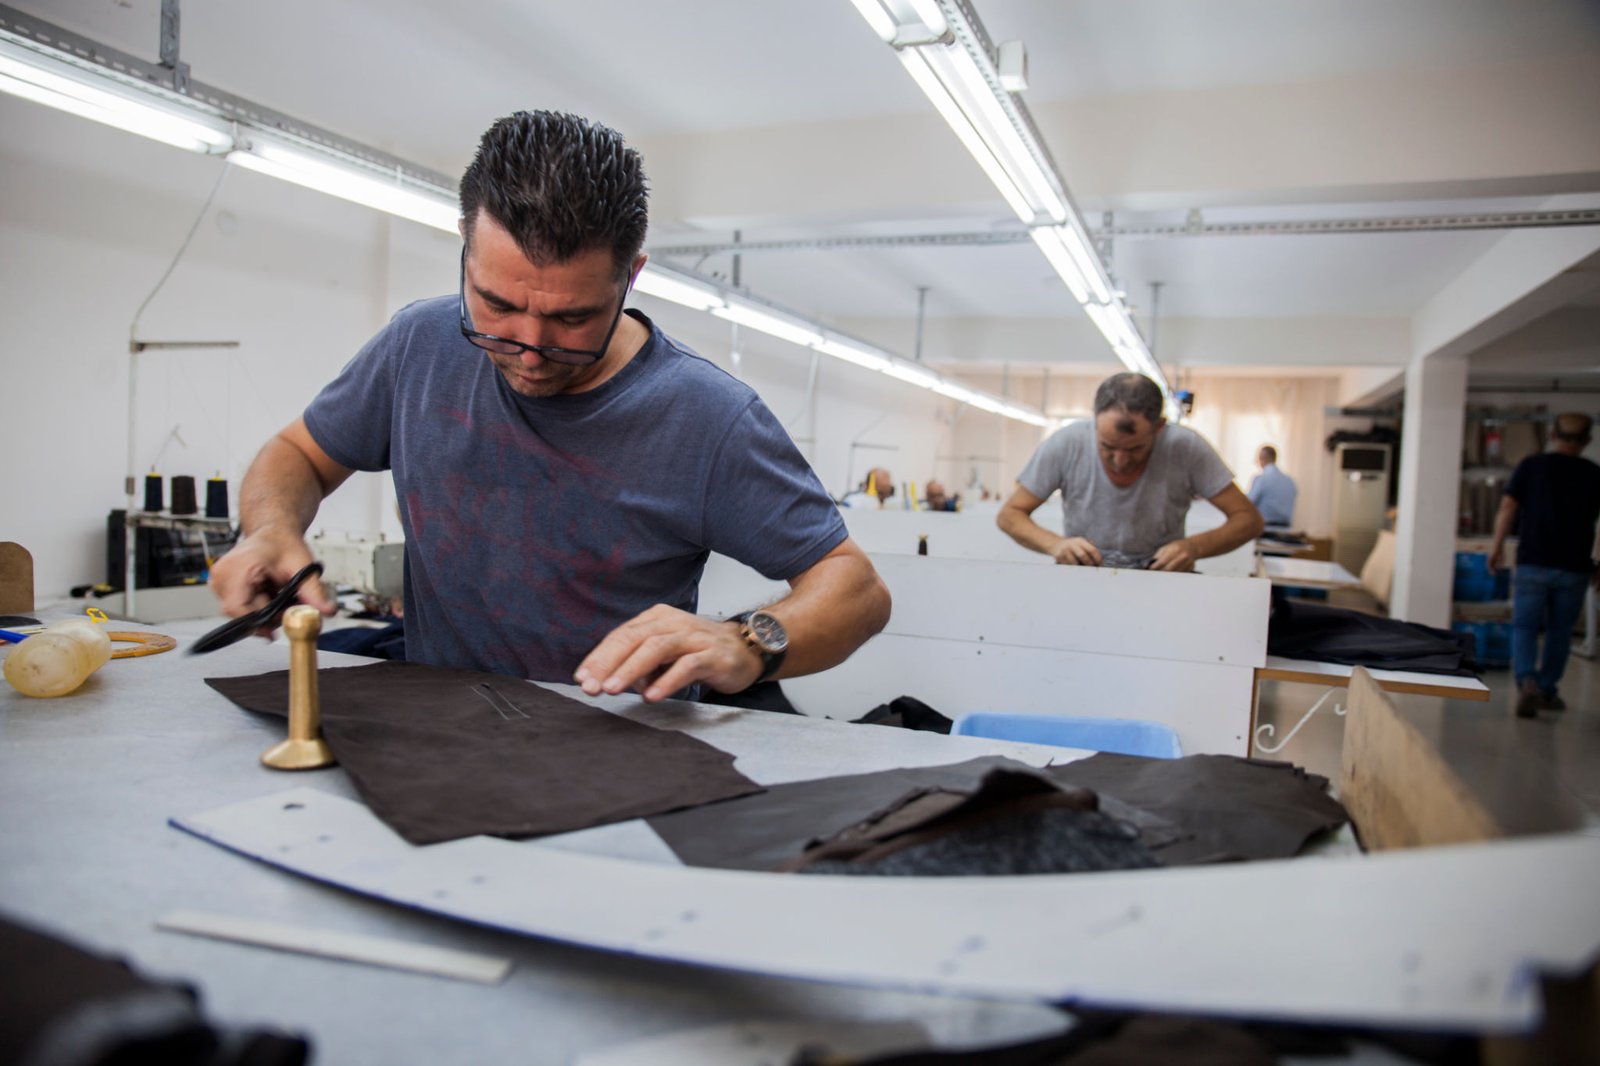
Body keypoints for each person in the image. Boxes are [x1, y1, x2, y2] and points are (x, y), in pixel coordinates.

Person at [212, 110, 890, 704]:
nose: (530, 350)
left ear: (631, 276)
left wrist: (747, 643)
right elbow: (299, 454)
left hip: (619, 754)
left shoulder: (707, 418)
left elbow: (856, 589)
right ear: (465, 244)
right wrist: (268, 530)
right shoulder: (418, 345)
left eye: (571, 318)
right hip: (436, 734)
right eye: (496, 305)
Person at [996, 372, 1264, 571]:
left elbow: (1248, 520)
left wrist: (1193, 547)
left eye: (1135, 448)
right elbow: (1010, 514)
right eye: (1107, 446)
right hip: (1083, 576)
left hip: (1160, 580)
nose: (1120, 460)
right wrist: (1056, 544)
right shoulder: (1067, 443)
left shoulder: (1186, 448)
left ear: (1159, 427)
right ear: (1095, 421)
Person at [1488, 412, 1600, 718]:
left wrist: (1496, 546)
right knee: (1560, 631)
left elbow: (1508, 506)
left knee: (1525, 626)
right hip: (1575, 566)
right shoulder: (1594, 473)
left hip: (1533, 562)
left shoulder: (1532, 466)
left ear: (1552, 435)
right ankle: (1547, 689)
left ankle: (1527, 681)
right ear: (1587, 441)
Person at [1247, 445, 1298, 528]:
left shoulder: (1261, 479)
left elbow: (1248, 503)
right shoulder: (1290, 481)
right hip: (1285, 529)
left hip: (1264, 529)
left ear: (1262, 458)